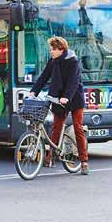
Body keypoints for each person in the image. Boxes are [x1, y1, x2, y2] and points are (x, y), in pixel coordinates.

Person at [28, 36, 89, 175]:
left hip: (74, 98)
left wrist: (66, 97)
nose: (51, 52)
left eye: (53, 49)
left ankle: (84, 162)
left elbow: (74, 82)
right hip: (58, 98)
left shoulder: (73, 62)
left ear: (61, 50)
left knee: (78, 128)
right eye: (51, 49)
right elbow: (44, 76)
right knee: (56, 127)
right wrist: (33, 92)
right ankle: (51, 157)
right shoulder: (53, 61)